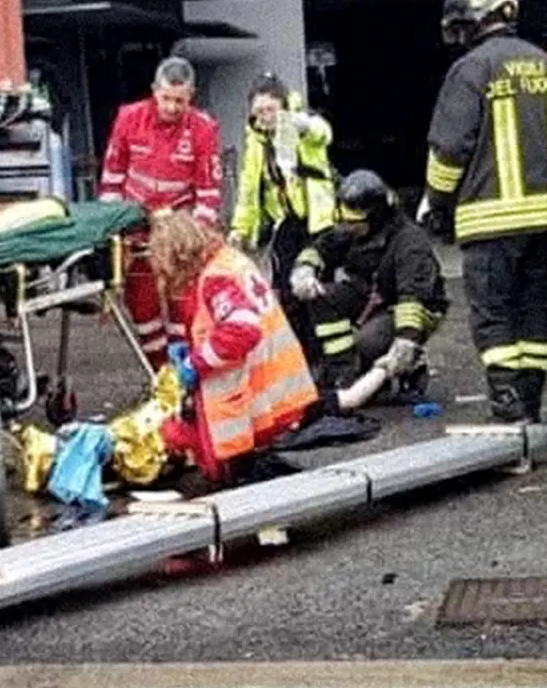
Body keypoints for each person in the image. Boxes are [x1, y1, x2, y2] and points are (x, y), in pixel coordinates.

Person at [422, 0, 547, 423]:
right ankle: (531, 409)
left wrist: (438, 205)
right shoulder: (544, 64)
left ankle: (508, 411)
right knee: (535, 320)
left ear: (471, 22)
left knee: (495, 319)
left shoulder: (471, 69)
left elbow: (450, 149)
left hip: (491, 222)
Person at [150, 210, 319, 486]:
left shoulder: (215, 278)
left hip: (250, 379)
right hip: (271, 374)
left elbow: (240, 330)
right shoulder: (228, 260)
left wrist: (196, 362)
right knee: (257, 464)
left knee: (240, 470)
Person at [97, 56, 224, 367]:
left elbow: (208, 195)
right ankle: (159, 374)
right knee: (142, 306)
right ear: (155, 90)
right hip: (136, 225)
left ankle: (184, 372)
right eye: (166, 98)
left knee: (183, 306)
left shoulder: (204, 129)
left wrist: (193, 238)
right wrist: (113, 230)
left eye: (179, 101)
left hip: (178, 226)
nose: (171, 107)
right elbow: (112, 179)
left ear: (190, 95)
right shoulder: (128, 117)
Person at [226, 74, 351, 385]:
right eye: (259, 112)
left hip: (317, 222)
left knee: (317, 293)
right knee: (287, 297)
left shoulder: (298, 124)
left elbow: (324, 134)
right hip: (286, 224)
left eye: (270, 110)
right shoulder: (256, 139)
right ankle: (303, 361)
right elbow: (249, 187)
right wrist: (240, 229)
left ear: (282, 106)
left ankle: (331, 362)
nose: (265, 118)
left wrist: (297, 123)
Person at [294, 169, 449, 403]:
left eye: (353, 223)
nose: (347, 227)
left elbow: (413, 299)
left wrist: (406, 341)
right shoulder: (355, 229)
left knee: (371, 339)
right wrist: (305, 270)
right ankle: (344, 372)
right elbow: (321, 248)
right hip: (369, 294)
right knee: (323, 296)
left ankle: (411, 368)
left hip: (409, 306)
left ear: (375, 216)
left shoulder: (409, 243)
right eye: (344, 220)